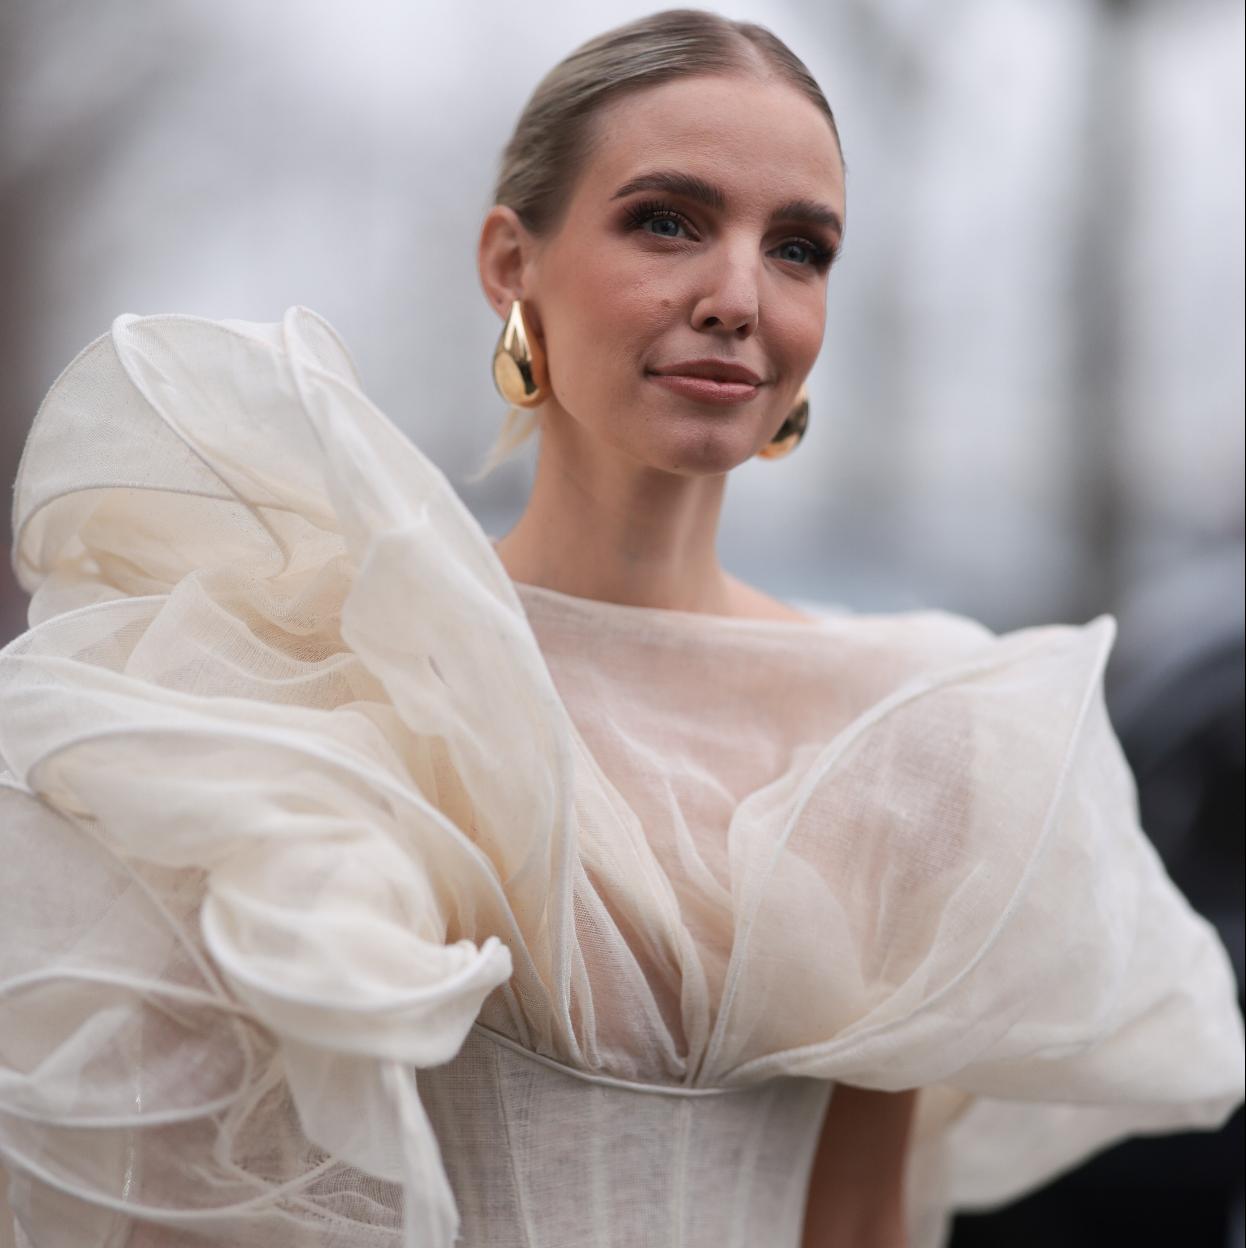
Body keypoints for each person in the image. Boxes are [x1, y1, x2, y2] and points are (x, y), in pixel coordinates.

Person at [0, 10, 1241, 1248]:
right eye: (667, 221)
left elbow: (858, 1225)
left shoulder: (906, 726)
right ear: (510, 260)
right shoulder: (328, 678)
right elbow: (173, 1188)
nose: (738, 297)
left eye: (799, 248)